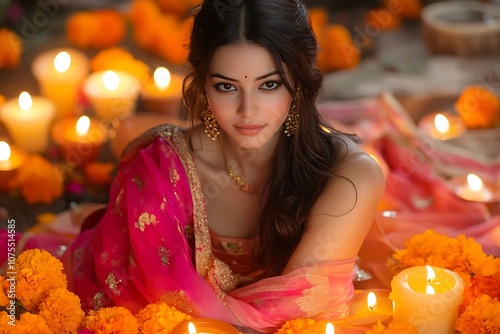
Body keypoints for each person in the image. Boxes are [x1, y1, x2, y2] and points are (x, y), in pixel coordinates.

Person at [64, 0, 385, 332]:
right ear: (203, 86)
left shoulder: (350, 177)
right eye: (227, 87)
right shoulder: (161, 167)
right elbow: (147, 296)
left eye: (269, 85)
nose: (248, 110)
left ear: (300, 84)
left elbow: (296, 311)